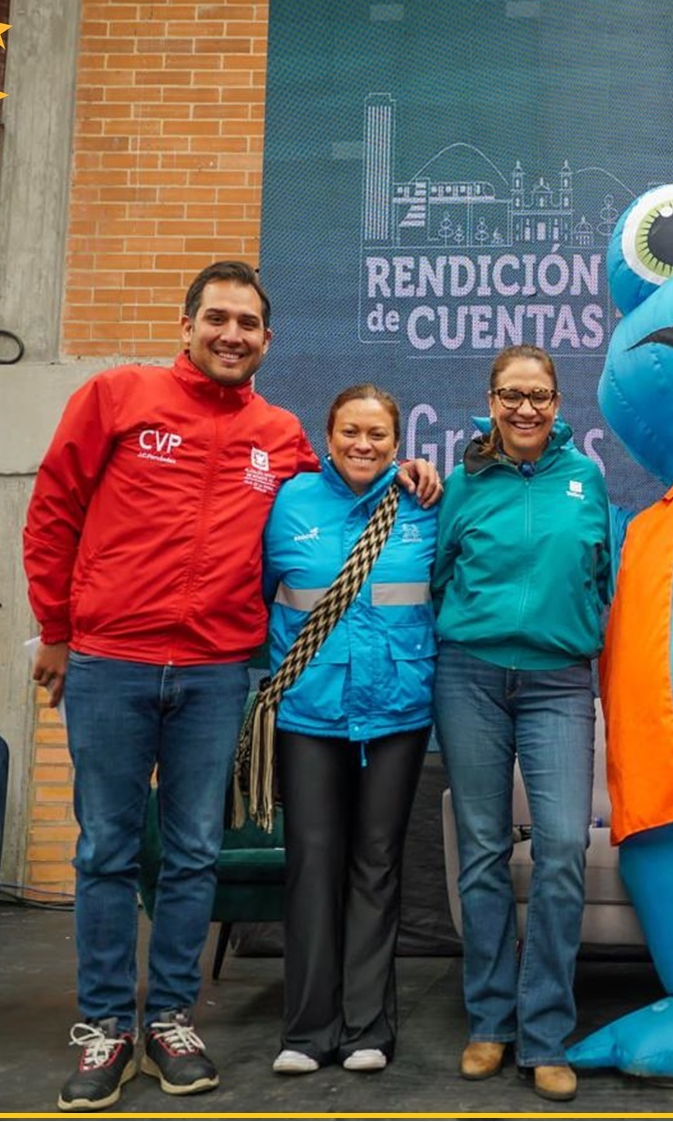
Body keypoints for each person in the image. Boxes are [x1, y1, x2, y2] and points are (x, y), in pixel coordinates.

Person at [24, 261, 440, 1113]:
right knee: (105, 849)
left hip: (219, 670)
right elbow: (54, 508)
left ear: (266, 341)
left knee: (192, 856)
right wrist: (58, 633)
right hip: (112, 660)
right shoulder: (116, 397)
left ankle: (172, 1018)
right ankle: (105, 1027)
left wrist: (412, 475)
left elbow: (343, 488)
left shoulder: (280, 434)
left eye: (247, 323)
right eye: (217, 318)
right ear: (187, 327)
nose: (231, 334)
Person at [431, 344, 613, 1103]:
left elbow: (601, 575)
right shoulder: (463, 481)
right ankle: (490, 1025)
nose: (526, 409)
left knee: (563, 848)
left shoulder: (586, 479)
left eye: (539, 395)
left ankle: (544, 1034)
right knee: (480, 852)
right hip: (469, 676)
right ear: (491, 398)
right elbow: (441, 569)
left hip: (559, 684)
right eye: (512, 395)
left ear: (559, 402)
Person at [261, 385, 438, 1077]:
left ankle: (368, 1028)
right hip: (308, 713)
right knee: (311, 863)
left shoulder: (426, 504)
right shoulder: (287, 504)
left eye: (377, 435)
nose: (363, 445)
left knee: (376, 864)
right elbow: (251, 596)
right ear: (326, 436)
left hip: (396, 712)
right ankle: (306, 1032)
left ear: (399, 444)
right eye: (350, 432)